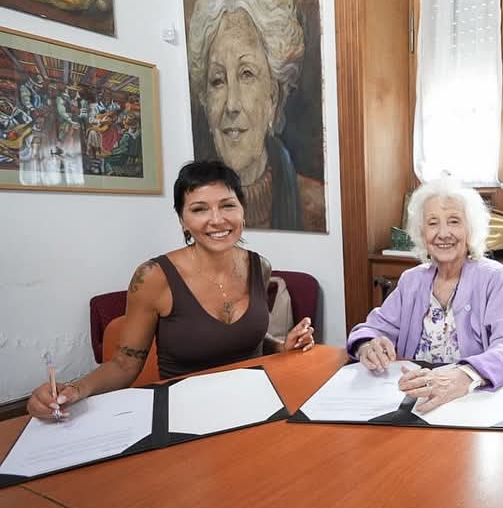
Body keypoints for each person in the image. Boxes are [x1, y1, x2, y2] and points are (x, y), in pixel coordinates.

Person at [27, 161, 315, 420]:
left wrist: (280, 345)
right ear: (182, 221)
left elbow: (247, 337)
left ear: (242, 211)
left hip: (255, 407)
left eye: (227, 205)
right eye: (199, 209)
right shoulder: (153, 277)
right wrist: (75, 389)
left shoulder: (259, 266)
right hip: (185, 416)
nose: (217, 219)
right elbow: (124, 364)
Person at [347, 176, 503, 414]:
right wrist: (367, 345)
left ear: (470, 229)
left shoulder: (493, 277)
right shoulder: (411, 280)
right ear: (422, 233)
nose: (443, 233)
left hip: (477, 400)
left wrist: (465, 376)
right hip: (419, 401)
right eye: (433, 223)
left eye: (454, 221)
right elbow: (373, 328)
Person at [187, 0, 304, 231]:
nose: (231, 105)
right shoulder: (193, 208)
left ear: (273, 96)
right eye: (217, 80)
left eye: (247, 73)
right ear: (205, 101)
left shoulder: (312, 204)